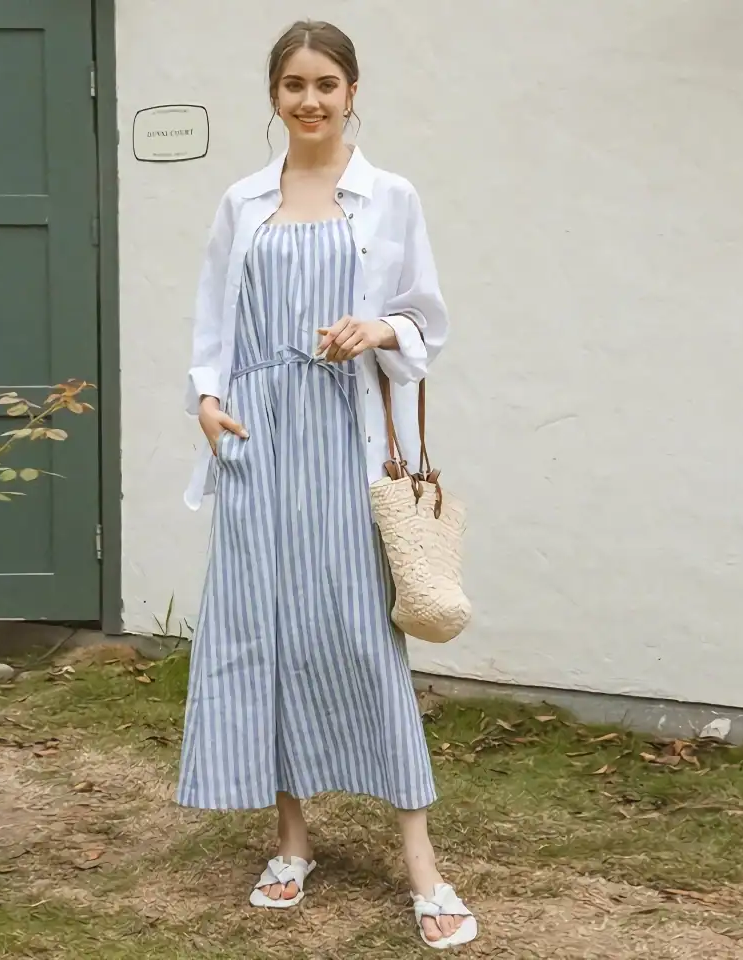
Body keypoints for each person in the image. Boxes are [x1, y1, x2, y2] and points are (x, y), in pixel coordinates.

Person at [177, 19, 477, 950]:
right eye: (293, 85)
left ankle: (422, 864)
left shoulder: (388, 198)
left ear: (353, 92)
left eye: (327, 84)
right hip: (260, 444)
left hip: (344, 444)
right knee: (262, 633)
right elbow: (212, 316)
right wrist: (207, 400)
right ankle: (291, 841)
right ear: (274, 95)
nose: (310, 100)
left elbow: (426, 319)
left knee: (358, 635)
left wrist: (377, 331)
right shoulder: (242, 201)